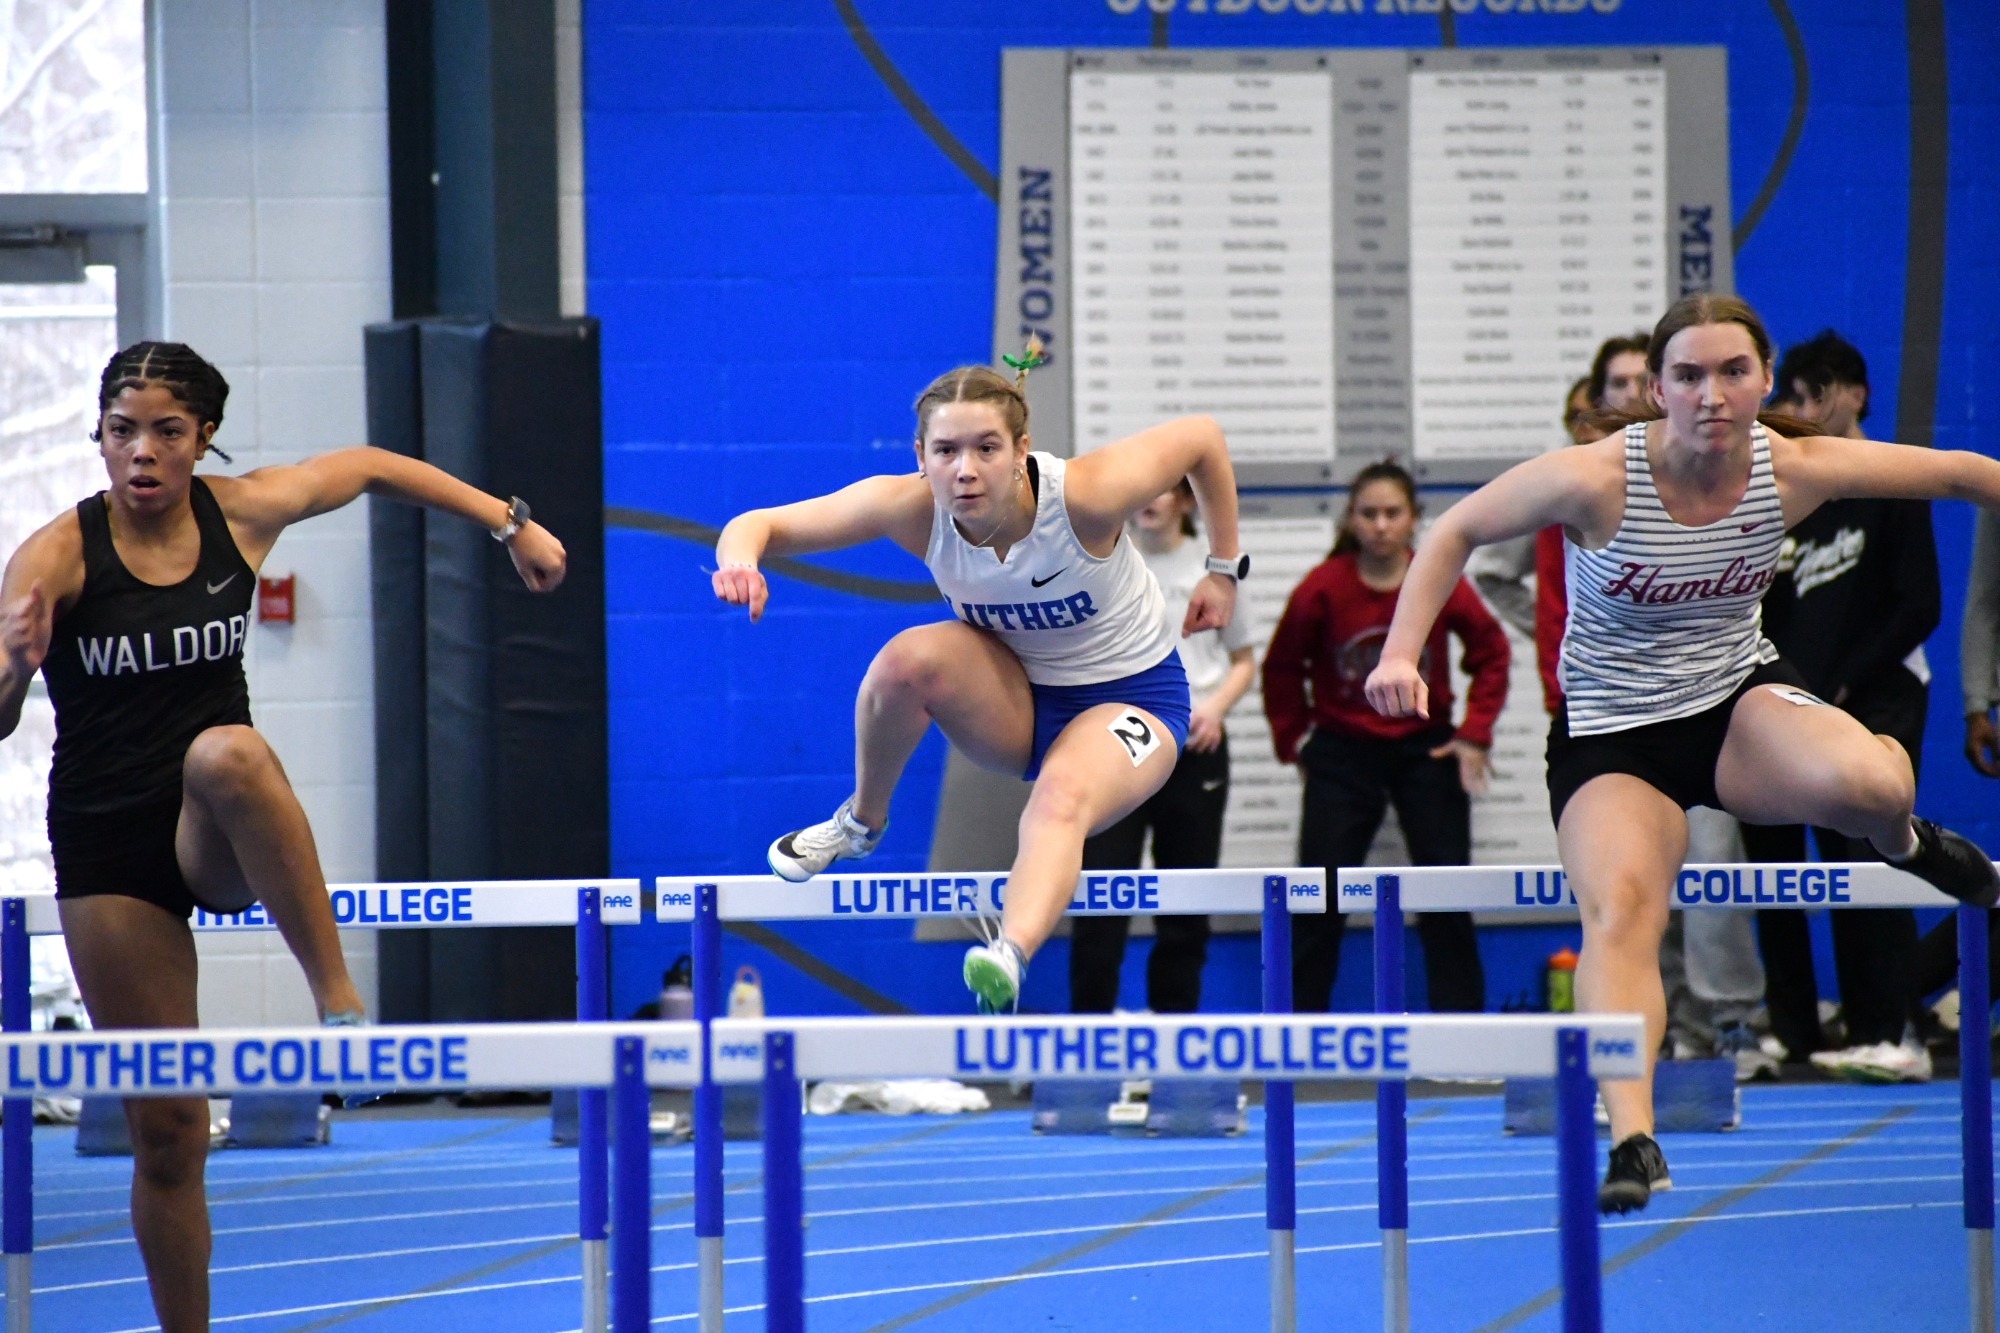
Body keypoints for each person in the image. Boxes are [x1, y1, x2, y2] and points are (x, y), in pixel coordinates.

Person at [1361, 293, 2000, 1216]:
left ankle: (1906, 842)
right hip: (1614, 738)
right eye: (1689, 375)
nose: (1712, 395)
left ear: (1765, 381)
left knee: (1875, 778)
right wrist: (1397, 653)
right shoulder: (1595, 479)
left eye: (1733, 372)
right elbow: (1455, 530)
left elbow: (1957, 474)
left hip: (1733, 707)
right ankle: (1633, 1136)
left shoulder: (1797, 467)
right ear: (1658, 389)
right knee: (1621, 908)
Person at [0, 342, 567, 1331]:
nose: (140, 453)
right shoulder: (55, 555)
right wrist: (11, 671)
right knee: (170, 1130)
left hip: (208, 826)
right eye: (121, 431)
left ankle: (340, 1008)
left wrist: (510, 523)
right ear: (98, 436)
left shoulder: (246, 511)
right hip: (105, 845)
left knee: (229, 751)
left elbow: (377, 465)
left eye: (165, 432)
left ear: (201, 440)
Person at [711, 352, 1243, 1013]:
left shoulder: (1087, 495)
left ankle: (1008, 954)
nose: (964, 470)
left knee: (1061, 796)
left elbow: (1202, 438)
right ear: (921, 456)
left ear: (1021, 448)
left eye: (986, 447)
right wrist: (740, 563)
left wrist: (1223, 567)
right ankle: (860, 823)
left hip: (1133, 700)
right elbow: (759, 524)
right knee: (905, 661)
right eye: (946, 450)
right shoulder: (909, 507)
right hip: (1019, 702)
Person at [1740, 330, 1938, 1083]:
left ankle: (1889, 1027)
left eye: (1817, 392)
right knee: (1772, 859)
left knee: (1866, 853)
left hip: (1878, 695)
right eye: (1792, 396)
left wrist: (1846, 683)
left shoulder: (1889, 481)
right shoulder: (1791, 491)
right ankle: (1792, 1028)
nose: (1803, 407)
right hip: (1792, 702)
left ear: (1854, 393)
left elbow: (1918, 605)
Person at [1263, 461, 1505, 1014]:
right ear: (1350, 519)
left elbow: (1492, 652)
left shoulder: (1437, 576)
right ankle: (1301, 1037)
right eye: (1368, 513)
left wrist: (1474, 735)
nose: (1379, 525)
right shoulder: (1322, 587)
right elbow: (1281, 669)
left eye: (1392, 513)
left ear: (1414, 519)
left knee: (1447, 896)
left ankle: (1462, 1036)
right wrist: (1295, 742)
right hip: (1342, 754)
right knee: (1319, 899)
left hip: (1426, 749)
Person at [1068, 482, 1256, 1015]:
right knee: (1099, 901)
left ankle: (1176, 1044)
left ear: (1187, 502)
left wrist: (1215, 707)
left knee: (1186, 906)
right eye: (1141, 492)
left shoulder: (1215, 569)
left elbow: (1244, 660)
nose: (1149, 501)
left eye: (1164, 492)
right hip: (1116, 751)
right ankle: (1088, 1042)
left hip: (1194, 748)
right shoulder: (1099, 562)